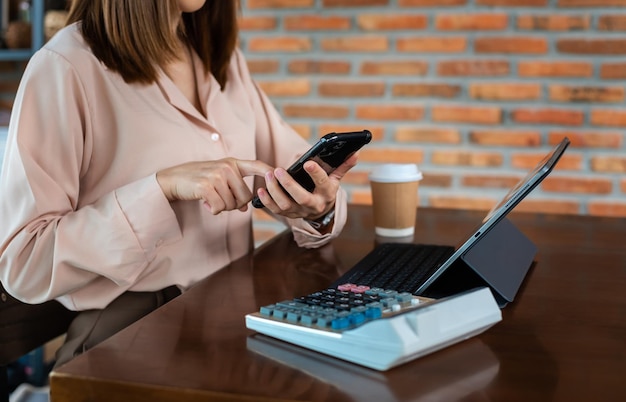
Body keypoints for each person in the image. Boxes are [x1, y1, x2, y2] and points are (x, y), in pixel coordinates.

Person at [0, 0, 356, 365]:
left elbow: (293, 168)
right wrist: (160, 189)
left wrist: (319, 205)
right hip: (134, 339)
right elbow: (24, 262)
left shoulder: (222, 60)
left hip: (236, 327)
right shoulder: (65, 67)